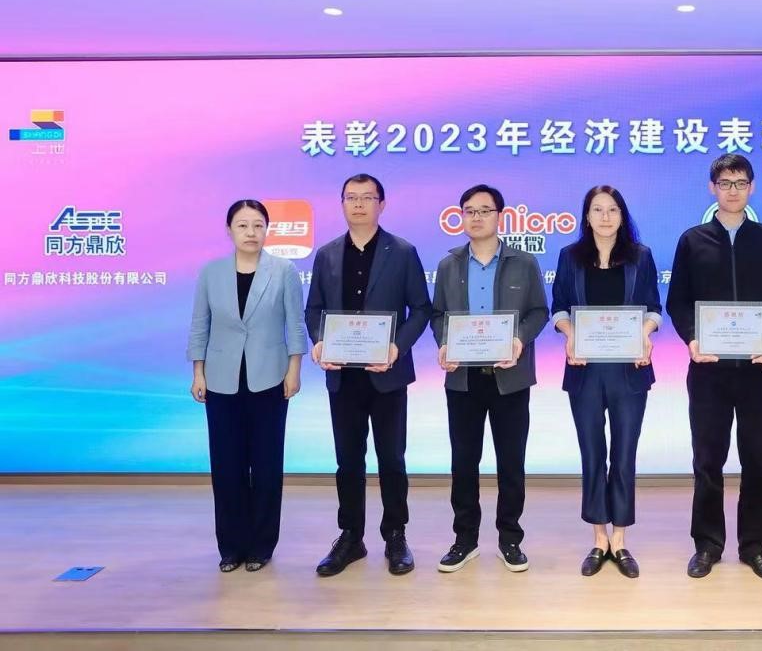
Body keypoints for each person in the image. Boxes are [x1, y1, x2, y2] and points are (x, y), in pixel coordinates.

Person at [666, 154, 762, 581]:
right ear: (712, 188)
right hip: (709, 370)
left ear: (752, 187)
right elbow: (678, 301)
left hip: (761, 370)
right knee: (707, 461)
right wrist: (692, 338)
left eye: (741, 183)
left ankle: (754, 546)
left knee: (758, 461)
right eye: (725, 183)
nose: (733, 190)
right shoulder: (692, 240)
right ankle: (707, 545)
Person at [305, 174, 432, 577]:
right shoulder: (326, 254)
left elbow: (421, 309)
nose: (358, 204)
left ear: (382, 204)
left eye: (367, 197)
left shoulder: (403, 252)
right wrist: (320, 341)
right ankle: (350, 537)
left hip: (387, 373)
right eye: (351, 197)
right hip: (343, 376)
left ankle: (396, 535)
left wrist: (397, 347)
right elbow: (314, 310)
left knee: (391, 458)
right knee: (347, 460)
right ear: (342, 203)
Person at [432, 184, 548, 573]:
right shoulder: (449, 265)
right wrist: (445, 342)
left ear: (501, 216)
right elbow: (438, 314)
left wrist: (519, 340)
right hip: (463, 380)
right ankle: (464, 540)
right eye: (469, 211)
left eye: (485, 210)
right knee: (464, 461)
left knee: (511, 462)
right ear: (461, 217)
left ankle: (510, 538)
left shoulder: (524, 263)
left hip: (510, 378)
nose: (476, 217)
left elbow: (539, 311)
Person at [187, 199, 305, 573]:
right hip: (221, 380)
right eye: (242, 225)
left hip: (270, 378)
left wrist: (294, 369)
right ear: (229, 230)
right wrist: (198, 372)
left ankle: (261, 546)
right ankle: (231, 547)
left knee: (267, 465)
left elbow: (295, 324)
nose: (251, 232)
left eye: (257, 225)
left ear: (267, 230)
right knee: (227, 466)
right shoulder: (211, 273)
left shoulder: (284, 271)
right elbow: (200, 325)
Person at [551, 185, 661, 578]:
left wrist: (645, 333)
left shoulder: (640, 256)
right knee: (592, 453)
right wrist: (569, 334)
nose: (605, 217)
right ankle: (599, 539)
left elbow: (653, 308)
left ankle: (620, 539)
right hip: (585, 369)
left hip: (630, 369)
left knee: (625, 454)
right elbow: (559, 307)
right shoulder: (570, 257)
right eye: (597, 210)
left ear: (622, 215)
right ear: (586, 216)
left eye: (613, 209)